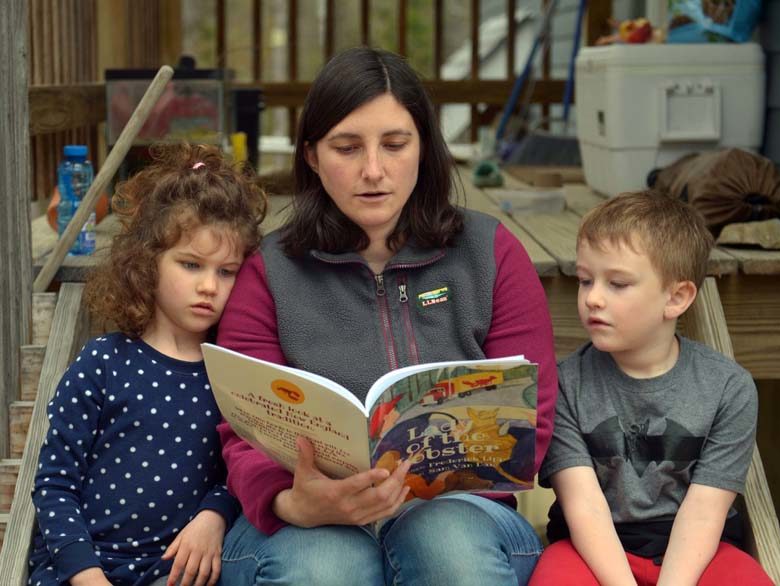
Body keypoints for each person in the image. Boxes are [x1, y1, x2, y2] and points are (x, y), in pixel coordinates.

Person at [215, 47, 558, 586]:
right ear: (310, 155)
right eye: (346, 148)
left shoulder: (490, 253)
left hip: (461, 513)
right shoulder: (271, 271)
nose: (373, 171)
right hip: (301, 521)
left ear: (424, 146)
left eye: (395, 145)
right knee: (327, 567)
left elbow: (530, 414)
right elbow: (240, 425)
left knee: (444, 545)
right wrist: (291, 501)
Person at [28, 144, 268, 586]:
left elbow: (238, 471)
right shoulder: (103, 361)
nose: (209, 286)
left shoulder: (231, 375)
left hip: (171, 573)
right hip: (80, 572)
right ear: (146, 261)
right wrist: (86, 575)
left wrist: (214, 515)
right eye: (191, 264)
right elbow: (54, 484)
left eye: (227, 271)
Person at [529, 191, 773, 585]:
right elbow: (584, 506)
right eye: (585, 280)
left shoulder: (728, 389)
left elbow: (704, 512)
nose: (593, 298)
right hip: (592, 546)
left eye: (618, 284)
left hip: (696, 547)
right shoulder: (564, 384)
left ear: (676, 297)